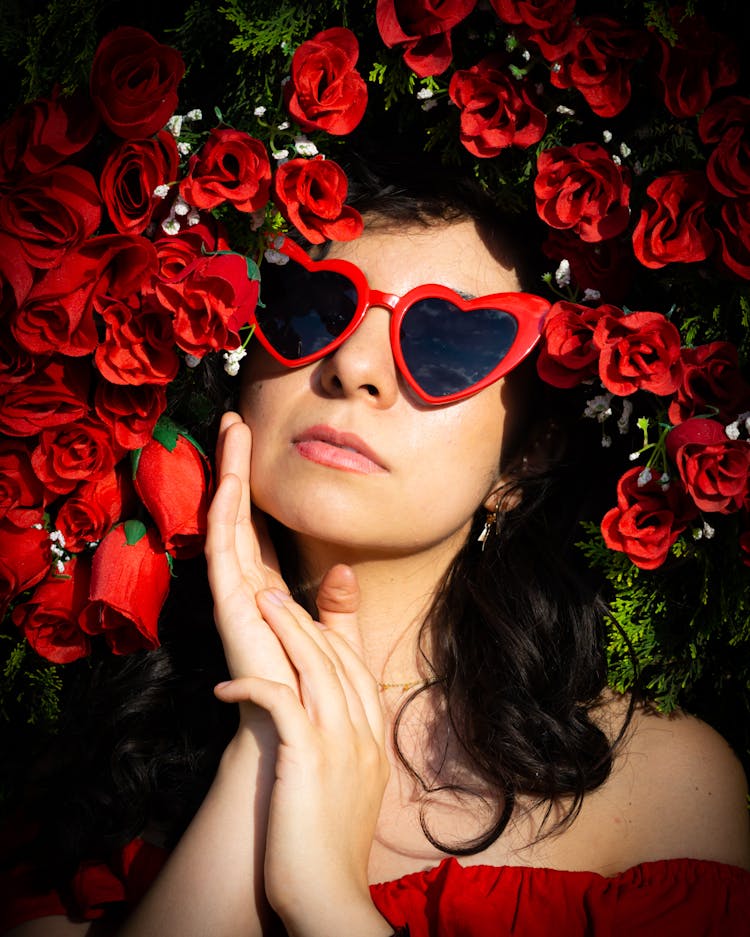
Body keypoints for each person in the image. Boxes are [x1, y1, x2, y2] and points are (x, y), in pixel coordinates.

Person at [1, 177, 749, 937]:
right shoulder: (92, 755)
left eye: (449, 340)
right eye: (310, 304)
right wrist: (265, 740)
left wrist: (324, 897)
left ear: (527, 455)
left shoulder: (663, 783)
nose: (354, 367)